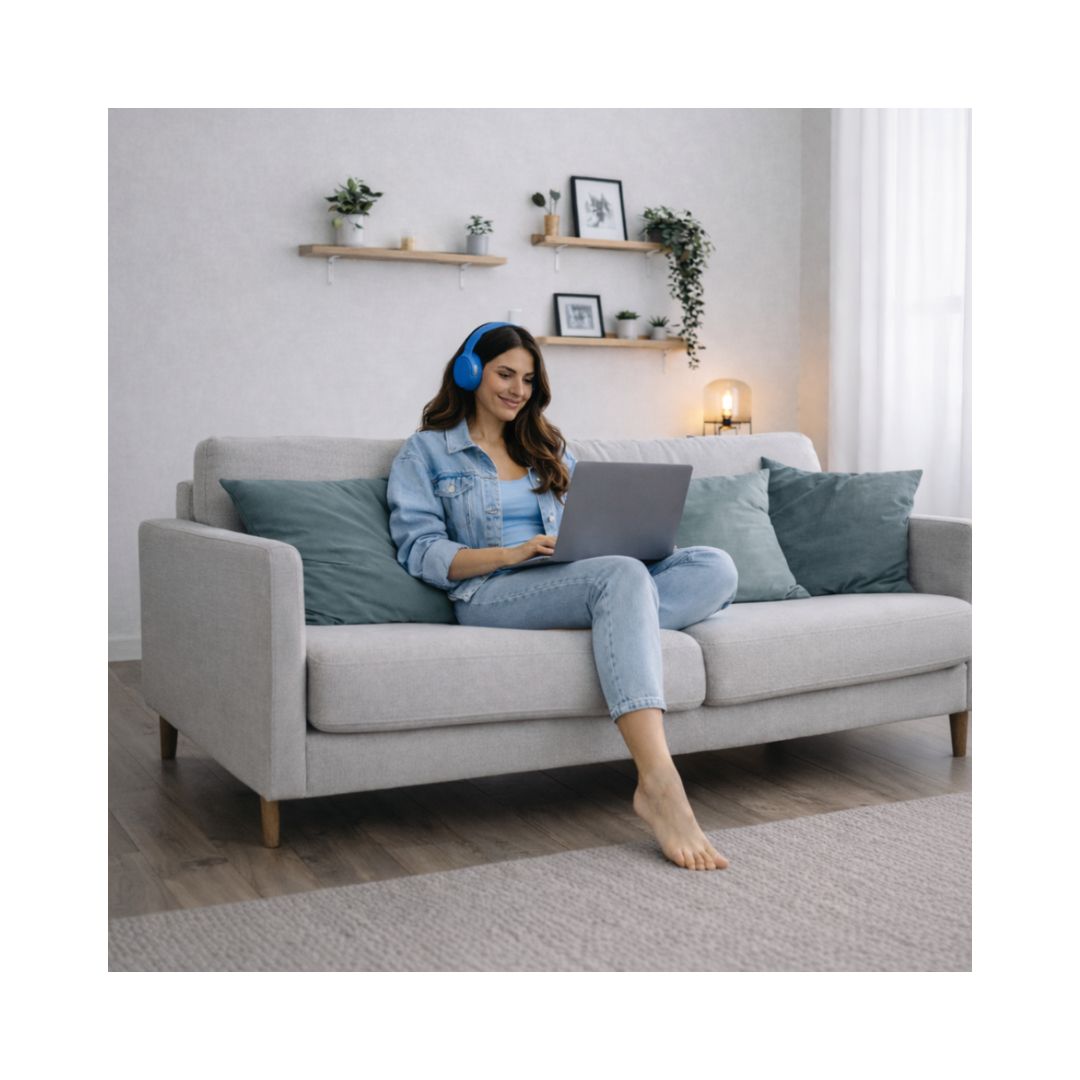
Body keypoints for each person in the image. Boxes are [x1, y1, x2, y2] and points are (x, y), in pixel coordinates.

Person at [386, 322, 739, 871]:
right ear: (470, 371)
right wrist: (515, 553)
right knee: (620, 580)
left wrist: (618, 540)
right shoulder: (428, 452)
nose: (518, 390)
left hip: (570, 577)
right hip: (489, 590)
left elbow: (591, 526)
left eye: (528, 379)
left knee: (714, 566)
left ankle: (612, 620)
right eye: (505, 374)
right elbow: (424, 553)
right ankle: (659, 784)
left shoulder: (547, 445)